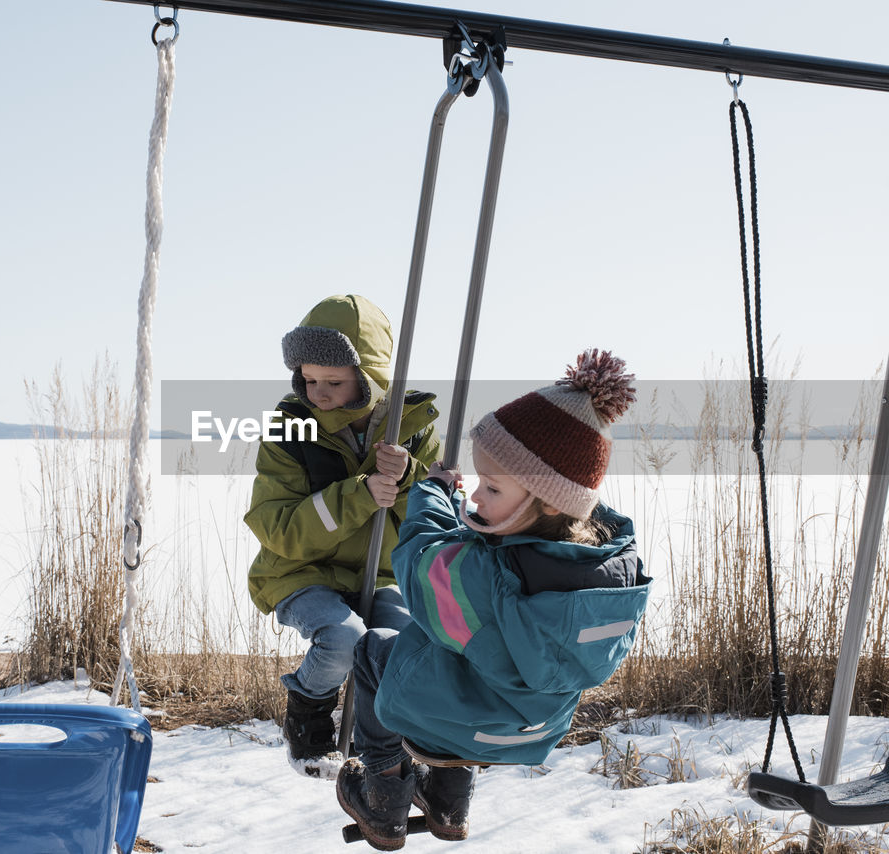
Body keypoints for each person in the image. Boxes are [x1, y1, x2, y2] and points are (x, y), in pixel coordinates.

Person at [336, 349, 652, 850]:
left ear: (548, 499)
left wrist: (432, 494)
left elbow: (419, 564)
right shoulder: (615, 573)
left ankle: (382, 795)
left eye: (493, 487)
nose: (477, 498)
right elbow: (571, 499)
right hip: (531, 731)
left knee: (374, 651)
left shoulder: (492, 581)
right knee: (474, 660)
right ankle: (448, 804)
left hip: (453, 723)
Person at [245, 294, 441, 779]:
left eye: (333, 381)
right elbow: (277, 527)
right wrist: (360, 494)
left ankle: (384, 756)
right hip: (298, 574)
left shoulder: (416, 430)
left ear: (370, 377)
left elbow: (439, 519)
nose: (318, 392)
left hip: (381, 573)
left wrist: (409, 480)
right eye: (309, 379)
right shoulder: (289, 430)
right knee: (345, 638)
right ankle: (306, 722)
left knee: (397, 645)